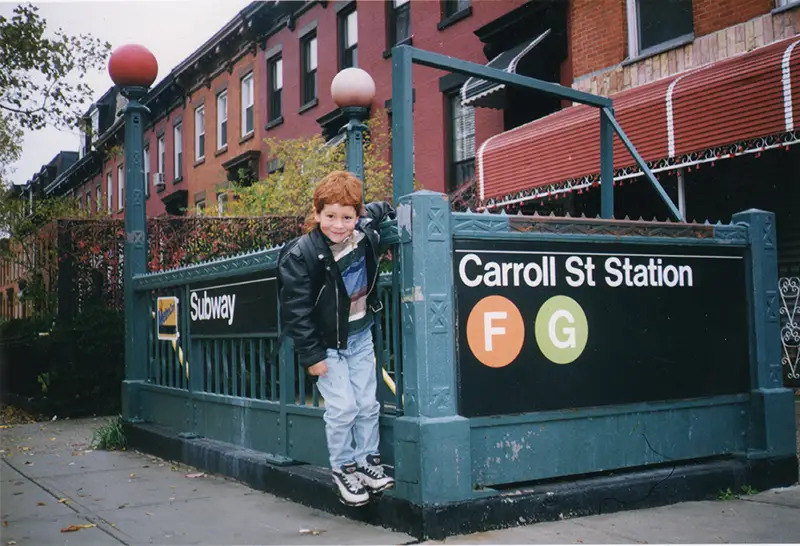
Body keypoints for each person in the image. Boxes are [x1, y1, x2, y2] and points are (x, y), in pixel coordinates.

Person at [278, 170, 395, 506]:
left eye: (347, 217)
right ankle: (343, 466)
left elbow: (381, 208)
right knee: (343, 407)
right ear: (317, 214)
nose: (339, 225)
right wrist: (312, 357)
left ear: (357, 217)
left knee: (368, 404)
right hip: (327, 345)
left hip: (360, 336)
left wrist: (393, 213)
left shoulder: (365, 227)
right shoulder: (302, 254)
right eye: (330, 216)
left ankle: (367, 460)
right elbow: (296, 312)